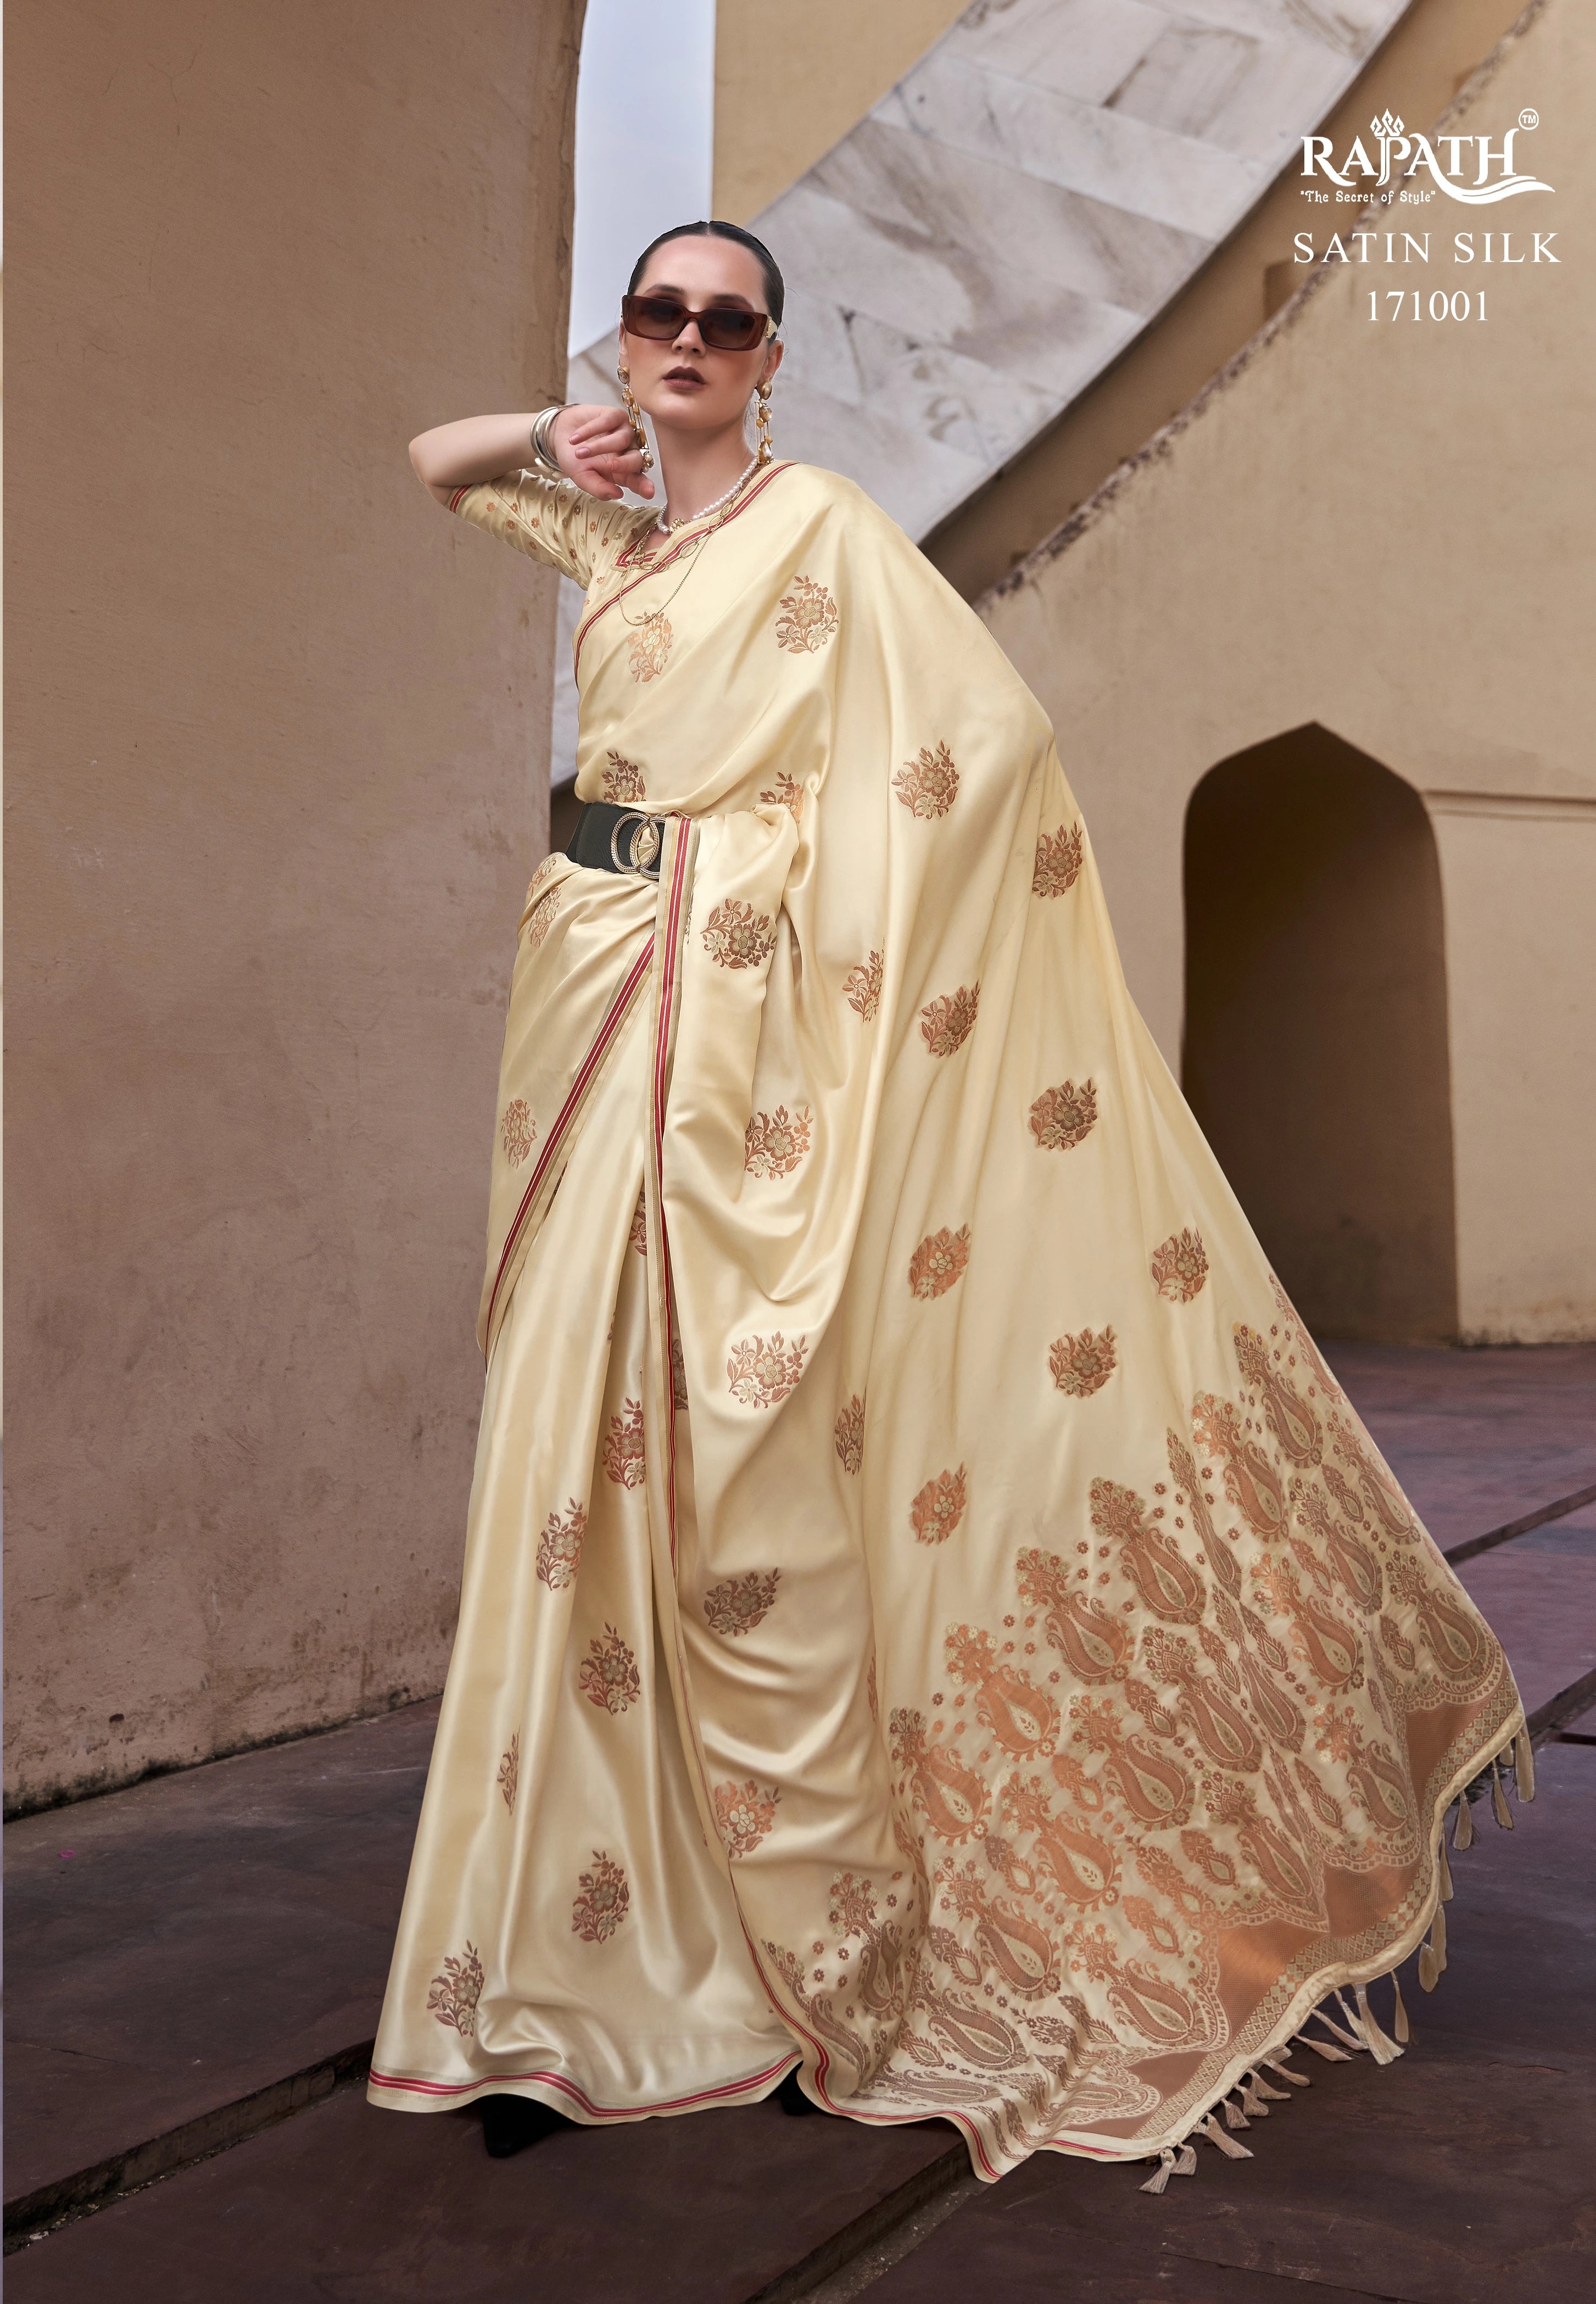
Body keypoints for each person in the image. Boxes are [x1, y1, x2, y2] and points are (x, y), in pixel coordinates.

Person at [368, 220, 1527, 2184]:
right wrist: (553, 433)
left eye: (724, 320)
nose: (687, 339)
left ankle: (801, 1965)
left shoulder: (817, 530)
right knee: (569, 1458)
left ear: (772, 359)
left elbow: (985, 751)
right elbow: (431, 462)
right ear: (622, 340)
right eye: (657, 312)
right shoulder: (620, 545)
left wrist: (764, 895)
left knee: (726, 1465)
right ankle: (545, 1978)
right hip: (583, 1013)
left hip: (726, 1029)